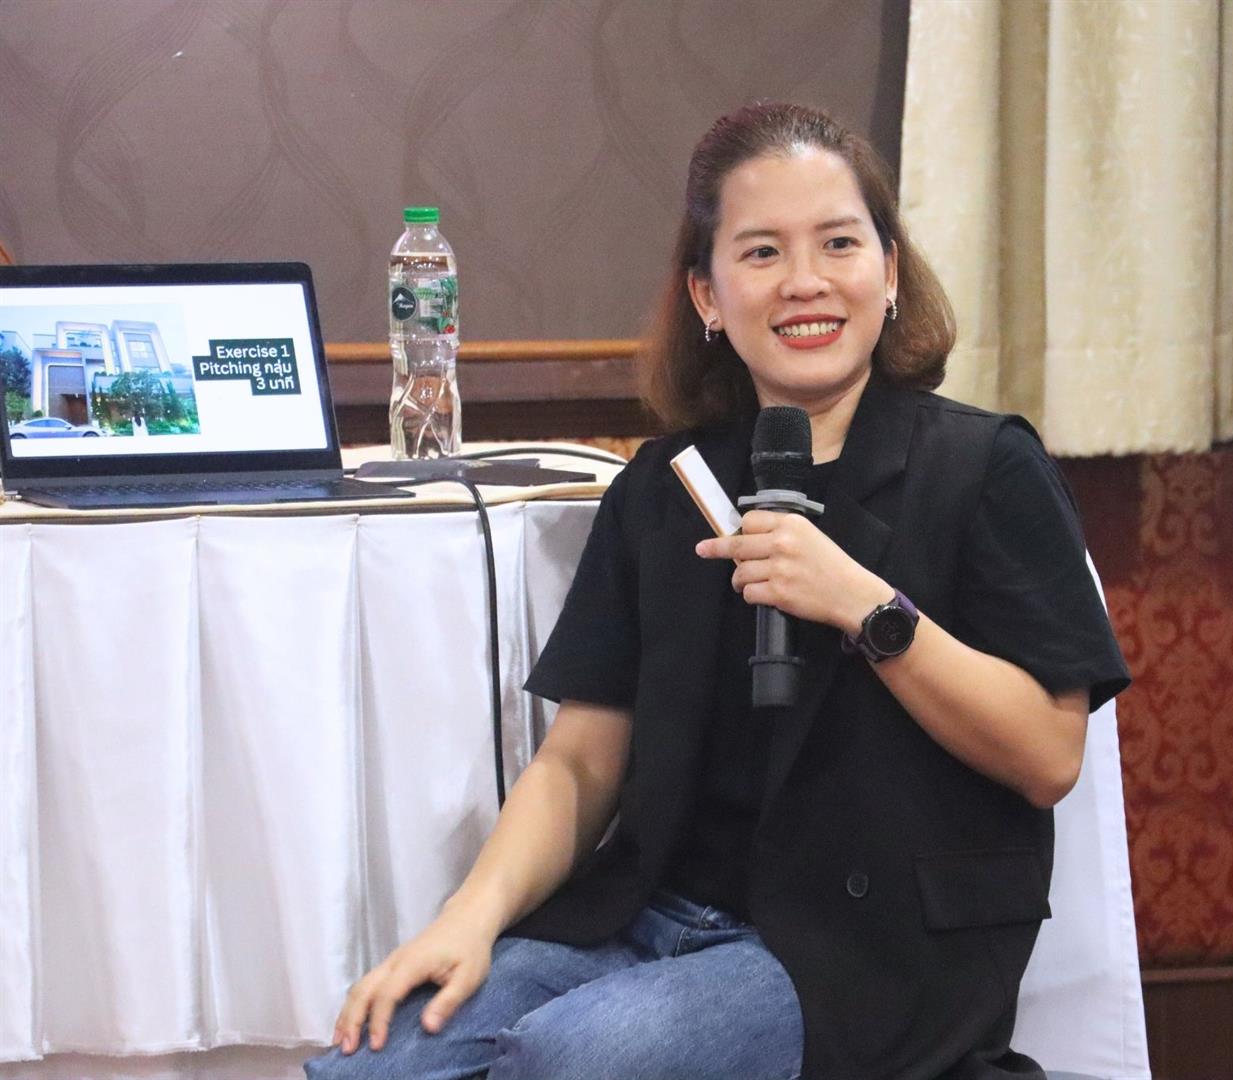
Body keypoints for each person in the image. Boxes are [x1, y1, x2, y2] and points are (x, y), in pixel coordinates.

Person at [306, 102, 1129, 1080]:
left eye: (839, 243)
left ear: (890, 272)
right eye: (762, 252)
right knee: (377, 1062)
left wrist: (868, 607)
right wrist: (468, 919)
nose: (805, 281)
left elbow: (1047, 754)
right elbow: (581, 761)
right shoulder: (667, 485)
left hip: (866, 958)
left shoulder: (985, 468)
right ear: (708, 293)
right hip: (648, 916)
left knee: (572, 1060)